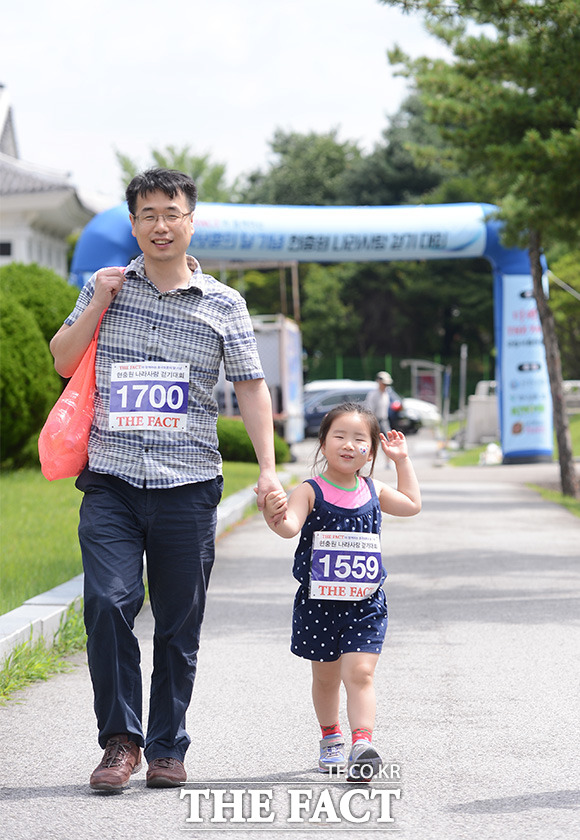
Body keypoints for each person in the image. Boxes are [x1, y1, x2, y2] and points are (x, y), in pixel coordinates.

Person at [49, 168, 285, 792]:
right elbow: (62, 359)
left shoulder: (223, 303)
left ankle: (167, 746)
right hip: (113, 481)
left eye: (171, 213)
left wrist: (266, 469)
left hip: (188, 484)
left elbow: (252, 387)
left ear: (189, 221)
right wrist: (97, 300)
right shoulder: (105, 287)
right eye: (147, 214)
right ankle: (119, 743)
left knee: (179, 623)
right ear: (133, 224)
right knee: (107, 604)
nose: (160, 224)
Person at [262, 402, 421, 780]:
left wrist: (402, 461)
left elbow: (412, 504)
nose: (349, 445)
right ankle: (330, 735)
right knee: (326, 678)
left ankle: (361, 743)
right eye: (340, 436)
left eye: (359, 439)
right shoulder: (310, 491)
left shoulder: (373, 489)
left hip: (365, 604)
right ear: (323, 442)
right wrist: (272, 510)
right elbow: (288, 527)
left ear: (371, 450)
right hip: (319, 605)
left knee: (361, 673)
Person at [365, 371, 393, 436]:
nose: (385, 386)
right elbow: (370, 409)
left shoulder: (386, 394)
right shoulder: (373, 394)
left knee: (388, 437)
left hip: (384, 420)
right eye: (384, 384)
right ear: (379, 382)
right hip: (375, 420)